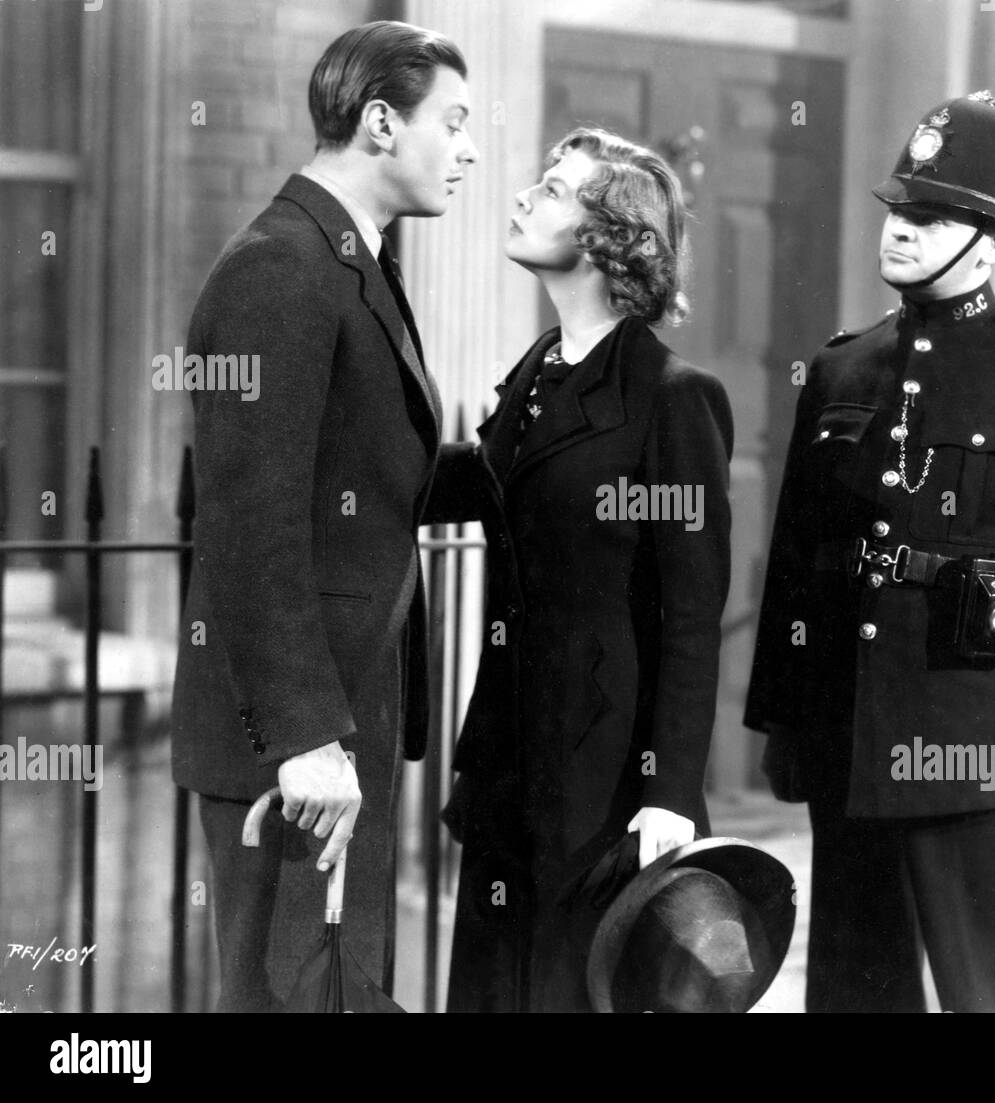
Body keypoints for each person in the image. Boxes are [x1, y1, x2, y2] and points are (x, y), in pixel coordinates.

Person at [745, 91, 995, 1013]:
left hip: (977, 742)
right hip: (848, 731)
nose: (902, 232)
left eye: (932, 217)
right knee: (854, 988)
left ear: (993, 243)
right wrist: (787, 718)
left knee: (992, 990)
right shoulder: (841, 368)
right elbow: (797, 565)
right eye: (898, 211)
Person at [171, 21, 478, 1012]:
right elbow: (248, 524)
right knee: (288, 1000)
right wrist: (308, 737)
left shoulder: (351, 259)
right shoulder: (282, 268)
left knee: (336, 995)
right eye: (455, 122)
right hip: (298, 750)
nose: (467, 150)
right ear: (382, 123)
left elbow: (367, 470)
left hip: (342, 729)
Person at [431, 127, 734, 1012]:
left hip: (606, 788)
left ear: (611, 239)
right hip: (509, 761)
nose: (524, 197)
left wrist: (670, 792)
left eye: (555, 190)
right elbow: (486, 485)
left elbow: (691, 613)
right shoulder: (537, 373)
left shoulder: (672, 398)